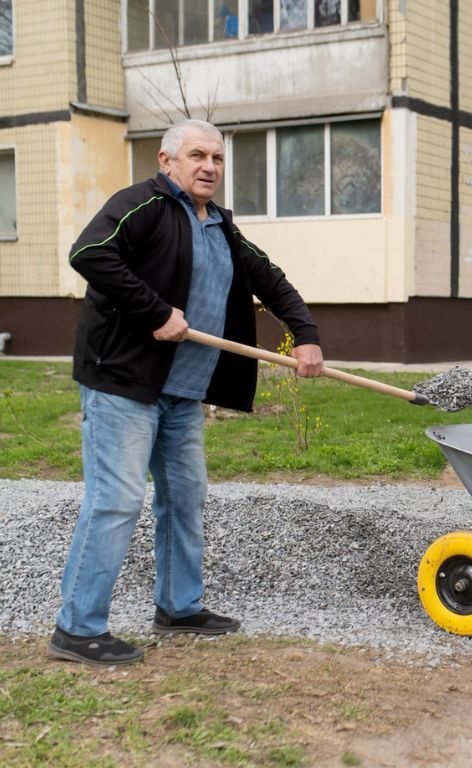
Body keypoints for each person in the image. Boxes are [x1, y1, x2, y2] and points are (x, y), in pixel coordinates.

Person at [50, 119, 324, 666]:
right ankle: (77, 629)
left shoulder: (220, 224)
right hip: (124, 384)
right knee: (117, 500)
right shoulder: (141, 204)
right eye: (197, 155)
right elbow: (89, 254)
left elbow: (268, 278)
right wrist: (154, 312)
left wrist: (306, 337)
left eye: (218, 158)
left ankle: (179, 607)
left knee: (184, 497)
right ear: (166, 160)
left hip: (182, 392)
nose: (210, 167)